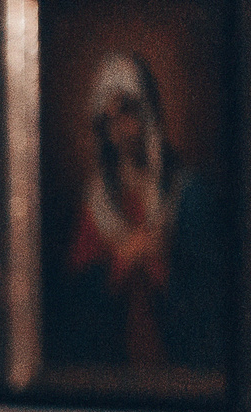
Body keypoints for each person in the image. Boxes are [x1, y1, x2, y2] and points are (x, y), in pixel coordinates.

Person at [55, 50, 224, 373]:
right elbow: (75, 301)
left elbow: (210, 297)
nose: (120, 129)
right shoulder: (96, 201)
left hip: (177, 359)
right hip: (115, 361)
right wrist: (120, 261)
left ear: (147, 113)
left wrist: (161, 262)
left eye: (127, 114)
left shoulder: (187, 192)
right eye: (109, 120)